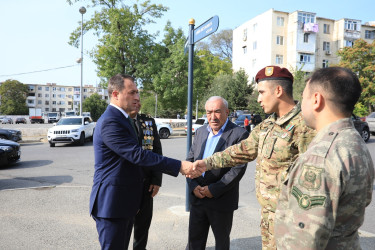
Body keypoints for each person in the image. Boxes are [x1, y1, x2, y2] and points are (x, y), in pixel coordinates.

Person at [192, 66, 315, 249]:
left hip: (291, 219)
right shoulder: (267, 126)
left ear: (278, 91)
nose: (258, 99)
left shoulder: (305, 126)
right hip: (269, 216)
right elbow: (240, 151)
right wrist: (205, 163)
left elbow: (314, 182)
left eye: (261, 92)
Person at [89, 74, 198, 250]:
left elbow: (148, 150)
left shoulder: (123, 119)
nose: (137, 97)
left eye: (137, 92)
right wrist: (179, 166)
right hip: (112, 204)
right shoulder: (111, 120)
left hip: (123, 202)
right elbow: (137, 155)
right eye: (132, 92)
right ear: (115, 94)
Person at [274, 67, 374, 249]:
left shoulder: (320, 157)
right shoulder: (355, 142)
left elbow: (303, 242)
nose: (300, 104)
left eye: (303, 97)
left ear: (316, 100)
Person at [186, 96, 249, 250]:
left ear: (227, 112)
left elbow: (237, 169)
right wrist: (193, 186)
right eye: (209, 112)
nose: (212, 117)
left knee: (221, 243)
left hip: (221, 199)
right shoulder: (200, 131)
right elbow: (190, 161)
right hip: (198, 196)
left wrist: (212, 190)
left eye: (217, 112)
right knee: (194, 242)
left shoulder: (239, 134)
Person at [129, 102, 163, 250]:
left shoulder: (148, 122)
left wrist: (157, 180)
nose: (137, 103)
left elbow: (156, 151)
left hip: (147, 183)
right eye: (133, 99)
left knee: (143, 225)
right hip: (126, 184)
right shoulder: (119, 122)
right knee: (124, 226)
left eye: (138, 100)